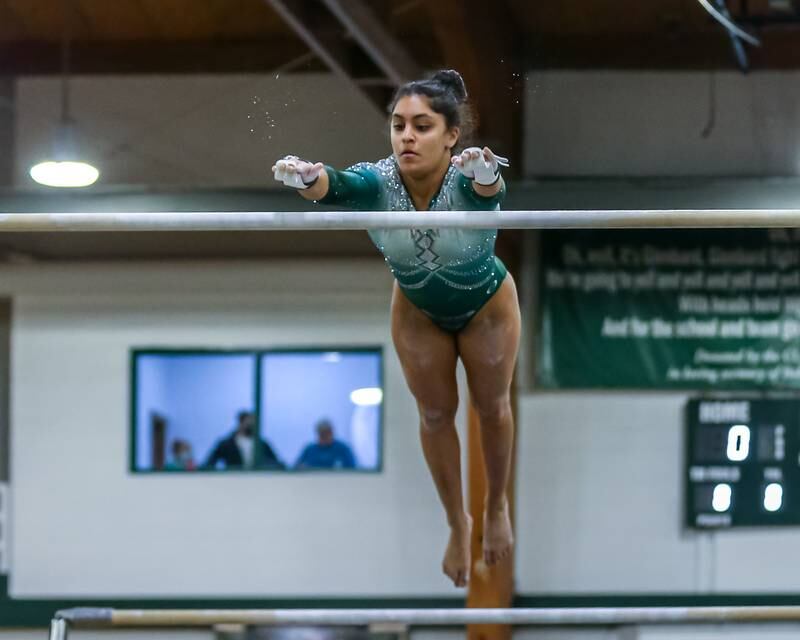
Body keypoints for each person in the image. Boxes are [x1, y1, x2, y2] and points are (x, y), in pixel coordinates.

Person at [272, 69, 519, 588]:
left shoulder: (469, 178)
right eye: (399, 124)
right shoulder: (377, 182)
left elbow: (489, 191)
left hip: (487, 306)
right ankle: (458, 523)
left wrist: (486, 174)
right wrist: (306, 179)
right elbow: (335, 187)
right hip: (416, 309)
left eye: (422, 126)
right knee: (434, 414)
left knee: (491, 407)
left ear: (451, 135)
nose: (407, 136)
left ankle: (495, 507)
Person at [203, 411, 285, 470]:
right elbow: (210, 463)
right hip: (233, 481)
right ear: (241, 423)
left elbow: (275, 462)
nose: (252, 425)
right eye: (249, 423)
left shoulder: (262, 444)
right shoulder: (226, 444)